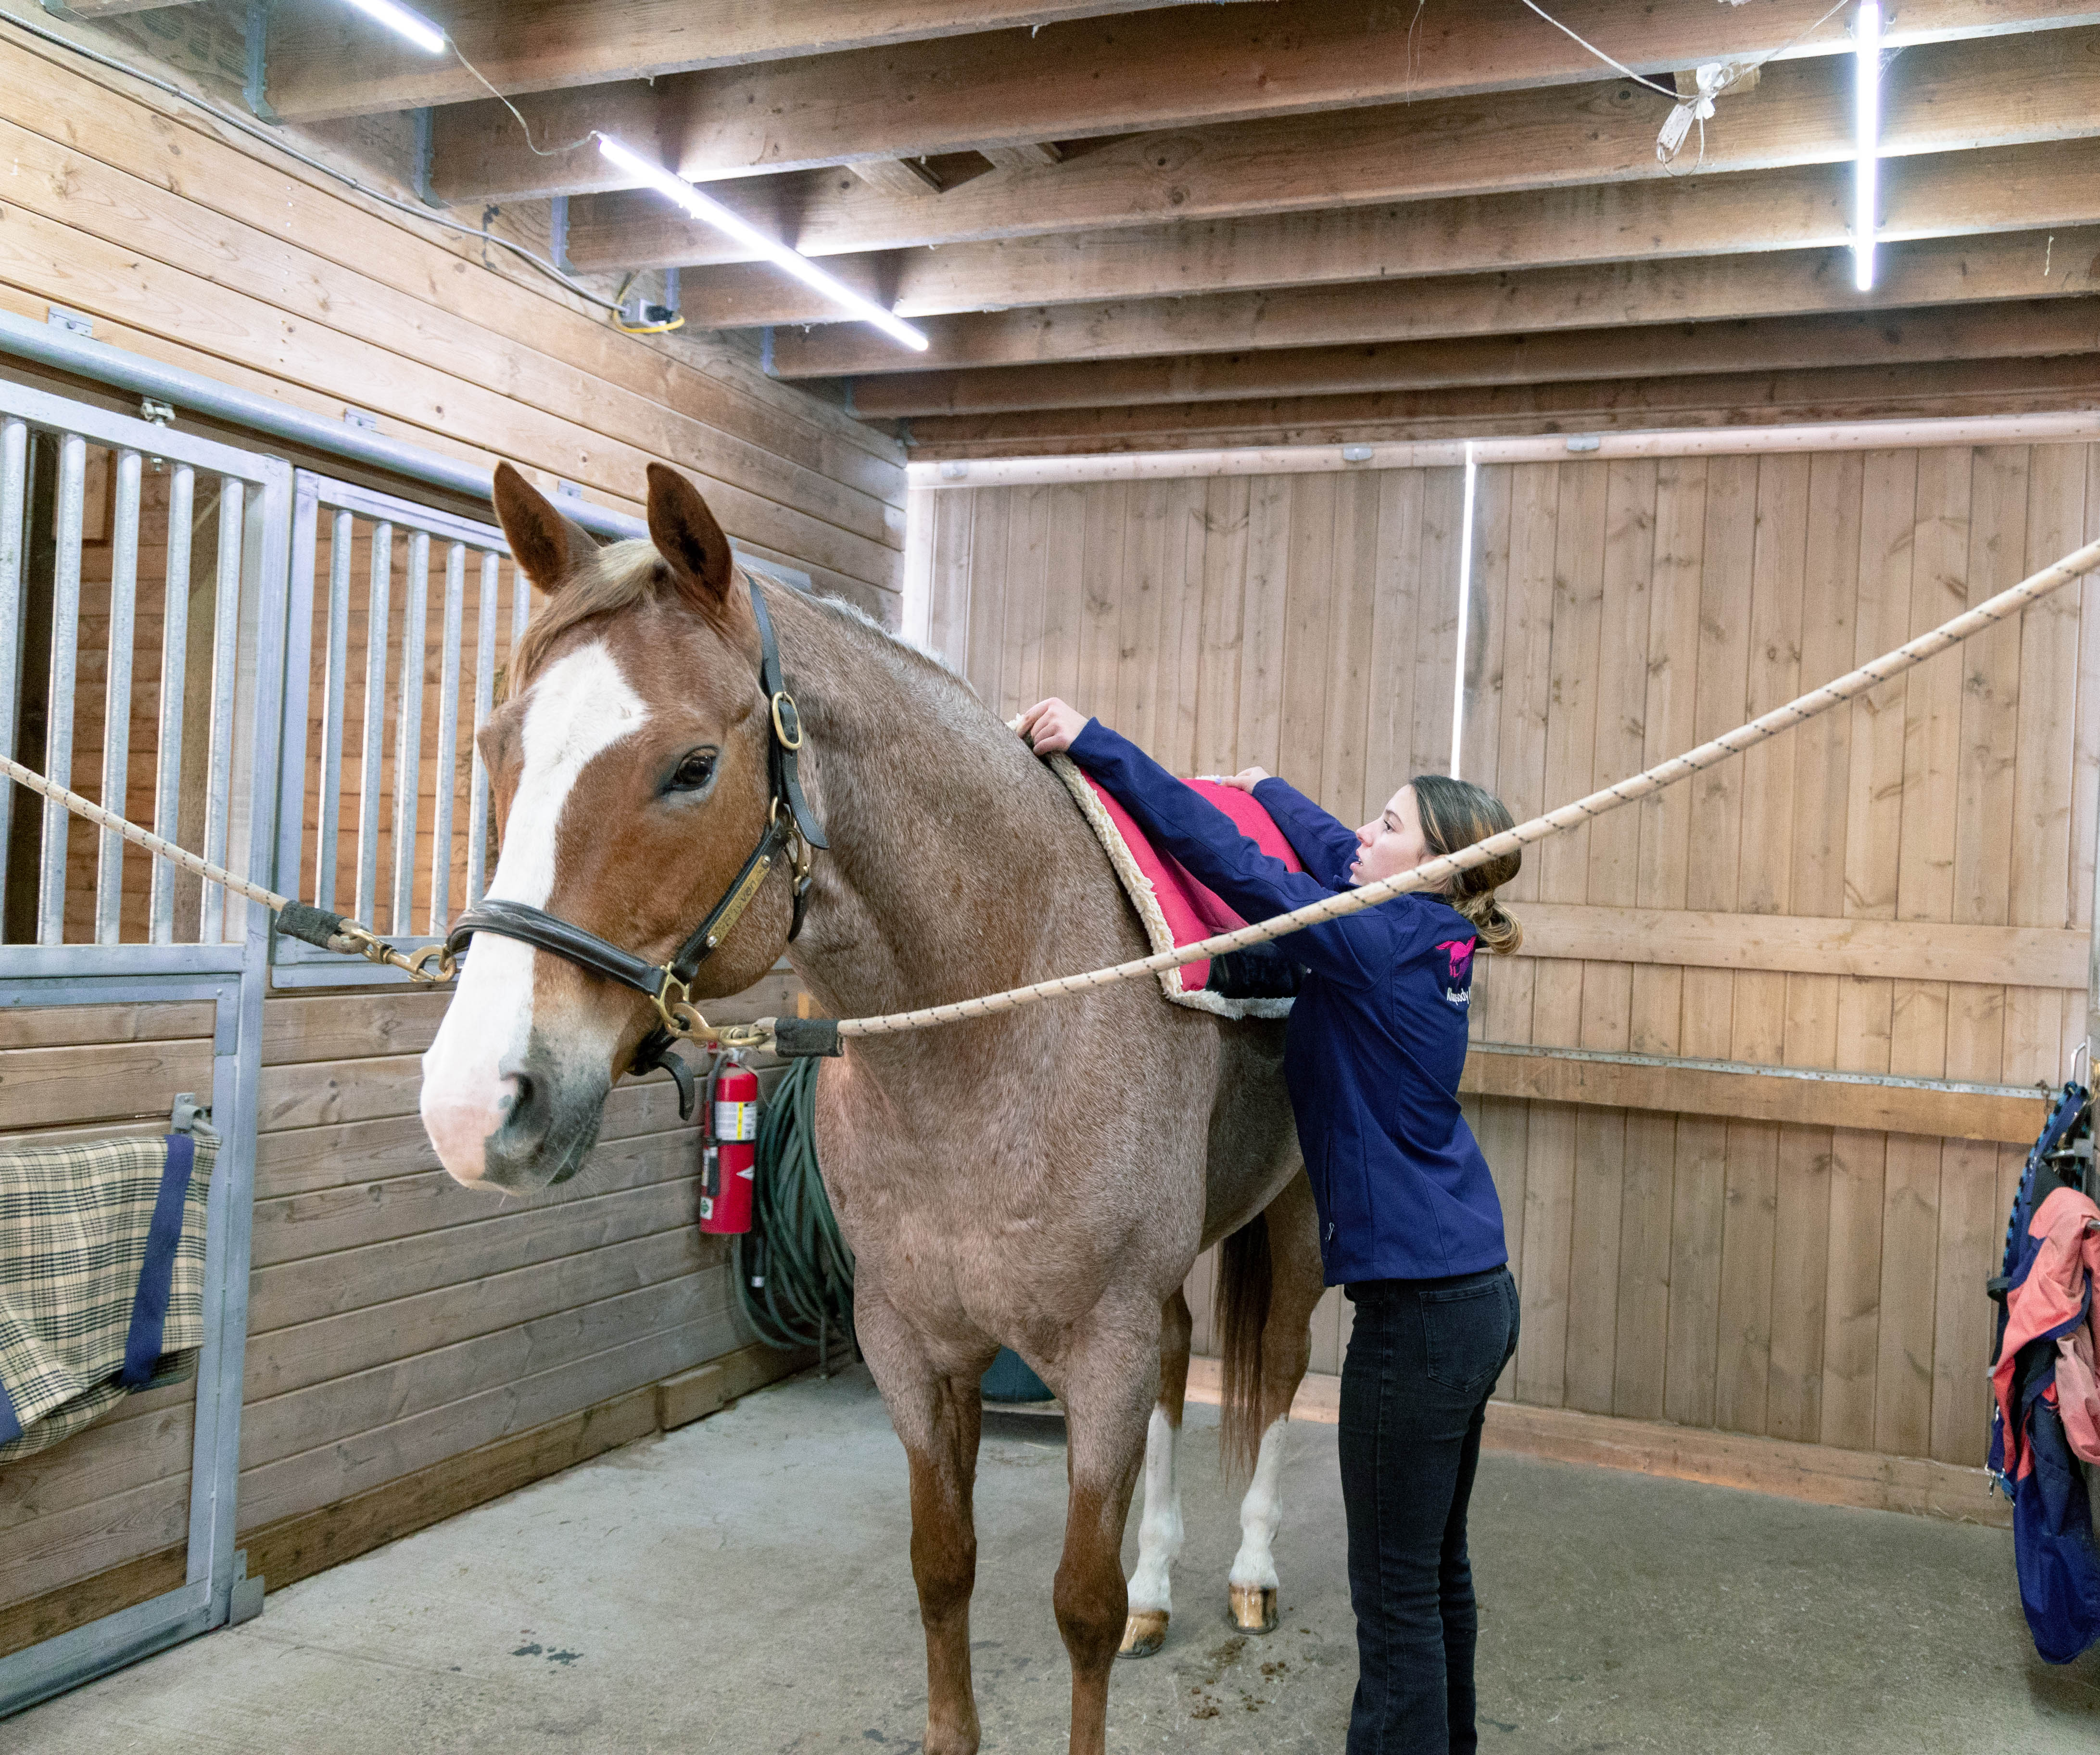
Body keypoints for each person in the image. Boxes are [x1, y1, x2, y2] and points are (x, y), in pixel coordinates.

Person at [1015, 696, 1524, 1755]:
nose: (1362, 833)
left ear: (1428, 867)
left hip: (1418, 1328)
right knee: (1437, 1577)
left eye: (1389, 825)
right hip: (1475, 1298)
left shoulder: (1370, 939)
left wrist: (1097, 744)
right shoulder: (1428, 936)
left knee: (1391, 1609)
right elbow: (1329, 848)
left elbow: (1237, 871)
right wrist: (1263, 788)